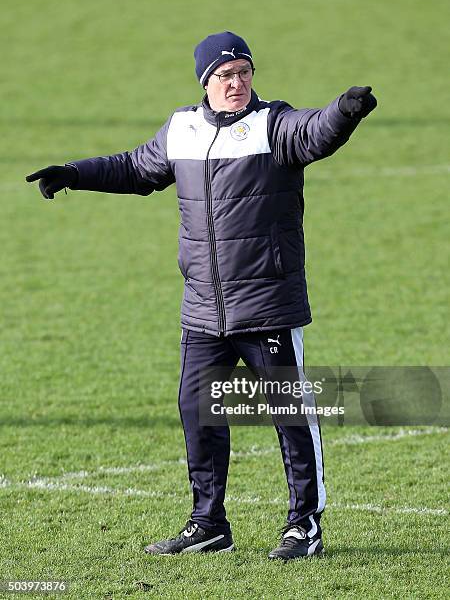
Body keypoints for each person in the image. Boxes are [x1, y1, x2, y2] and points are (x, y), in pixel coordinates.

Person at [26, 31, 377, 561]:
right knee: (198, 413)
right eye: (225, 75)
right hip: (203, 311)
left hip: (266, 305)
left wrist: (344, 112)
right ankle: (208, 523)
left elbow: (316, 133)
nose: (236, 83)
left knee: (289, 414)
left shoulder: (273, 125)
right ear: (205, 82)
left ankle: (304, 524)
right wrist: (75, 172)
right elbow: (134, 168)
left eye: (244, 72)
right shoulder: (182, 129)